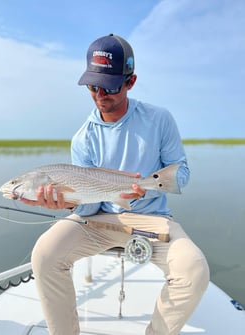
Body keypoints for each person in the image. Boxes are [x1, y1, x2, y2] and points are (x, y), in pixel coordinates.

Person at [22, 34, 210, 335]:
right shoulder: (83, 138)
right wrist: (69, 202)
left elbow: (182, 172)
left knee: (194, 269)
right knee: (44, 253)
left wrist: (151, 185)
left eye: (109, 86)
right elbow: (90, 206)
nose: (100, 95)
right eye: (93, 86)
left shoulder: (159, 119)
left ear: (130, 82)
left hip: (152, 219)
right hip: (97, 219)